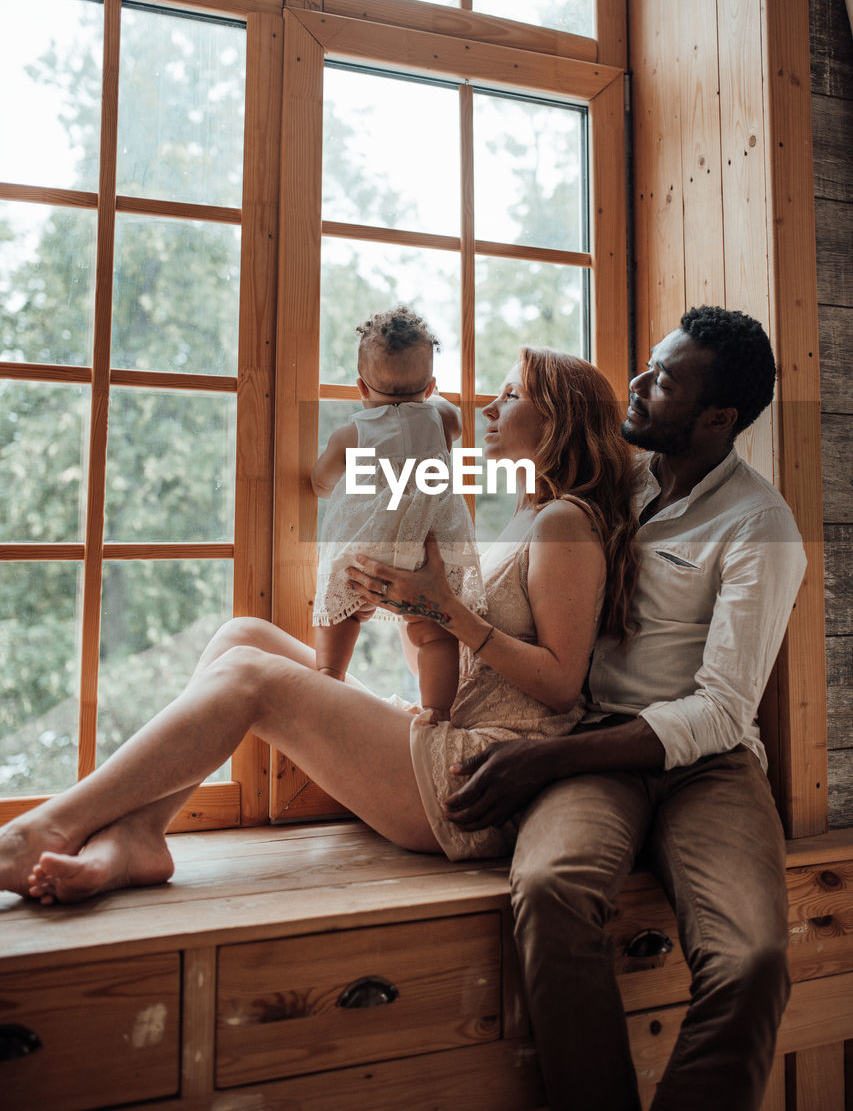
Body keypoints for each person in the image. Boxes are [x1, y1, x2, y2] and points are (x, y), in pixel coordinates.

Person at [0, 347, 636, 903]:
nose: (490, 408)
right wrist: (401, 604)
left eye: (511, 395)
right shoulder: (522, 518)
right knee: (241, 636)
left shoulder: (565, 522)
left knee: (251, 675)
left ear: (558, 419)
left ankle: (44, 829)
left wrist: (445, 608)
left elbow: (558, 685)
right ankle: (139, 834)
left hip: (479, 777)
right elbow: (464, 662)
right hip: (449, 734)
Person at [444, 307, 808, 1111]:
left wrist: (546, 757)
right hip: (593, 741)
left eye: (664, 381)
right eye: (648, 364)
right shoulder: (608, 484)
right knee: (545, 888)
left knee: (750, 961)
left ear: (716, 418)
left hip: (705, 765)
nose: (636, 386)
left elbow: (718, 710)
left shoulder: (760, 525)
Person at [311, 305, 485, 721]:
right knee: (432, 633)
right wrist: (428, 397)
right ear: (430, 386)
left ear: (360, 388)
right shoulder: (441, 418)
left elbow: (321, 481)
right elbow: (457, 422)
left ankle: (328, 677)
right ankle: (437, 711)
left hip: (370, 546)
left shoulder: (353, 433)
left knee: (345, 614)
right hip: (428, 546)